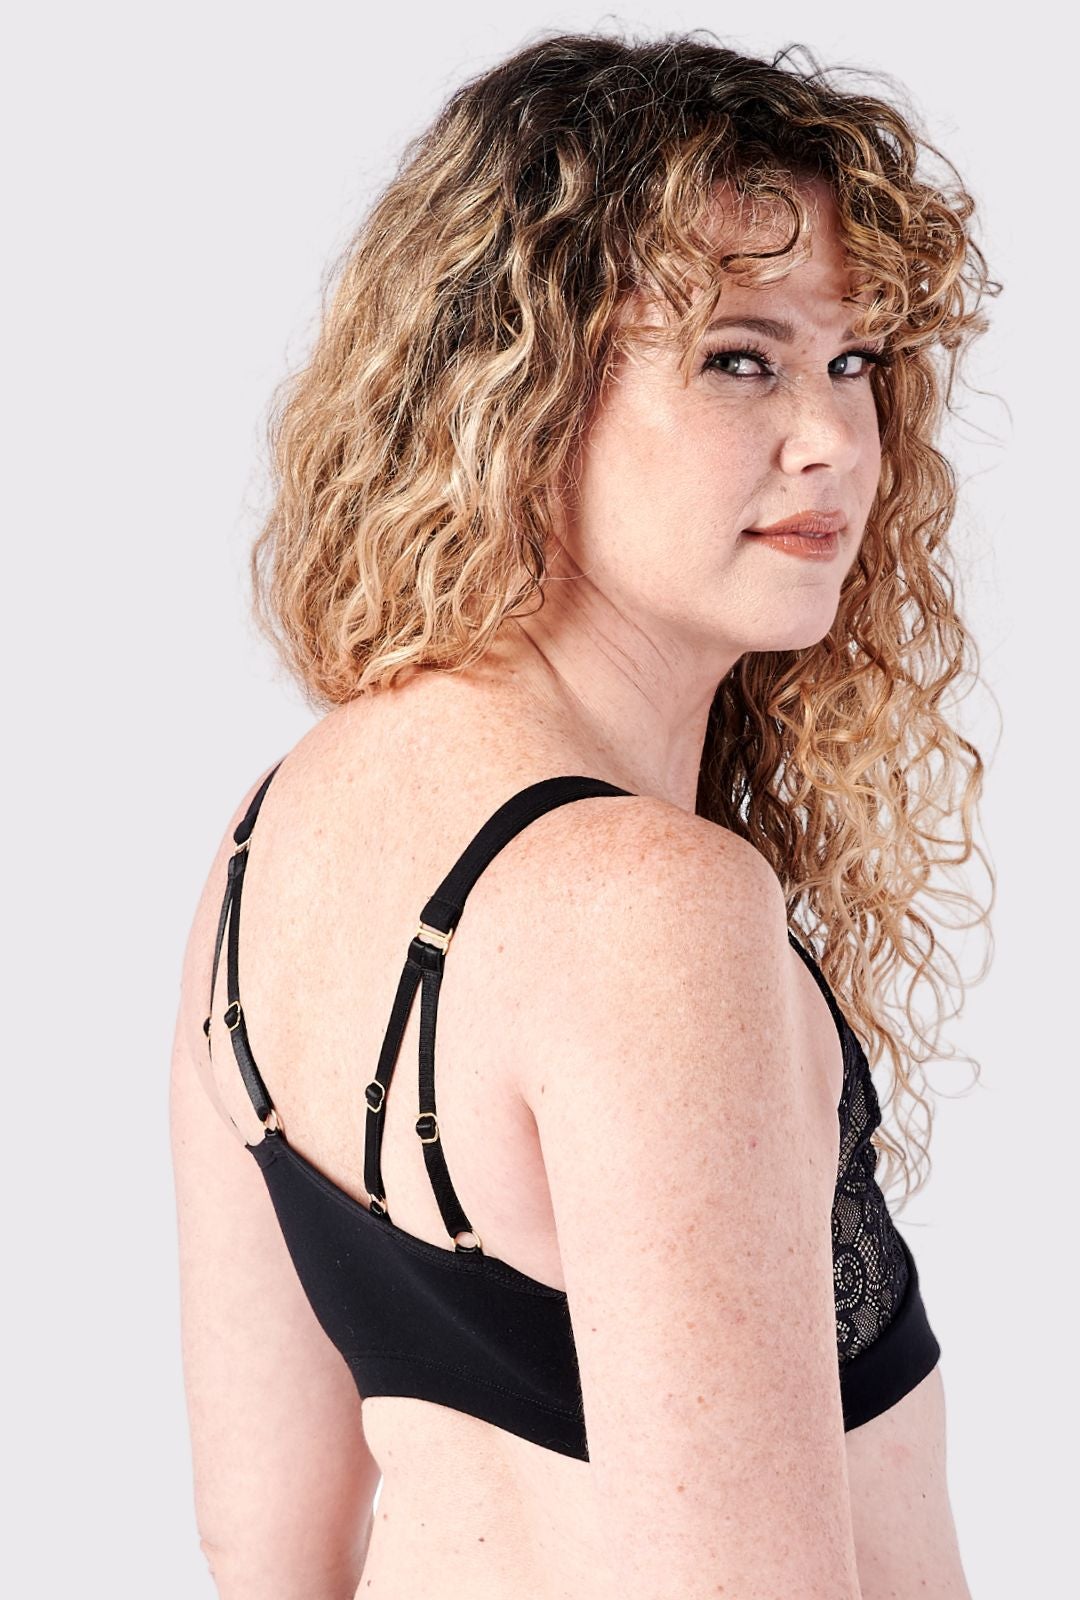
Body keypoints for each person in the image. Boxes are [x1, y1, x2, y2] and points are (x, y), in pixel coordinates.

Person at [170, 28, 996, 1600]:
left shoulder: (273, 834)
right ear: (520, 387)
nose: (834, 438)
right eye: (740, 357)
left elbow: (263, 1545)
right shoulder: (652, 908)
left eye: (854, 361)